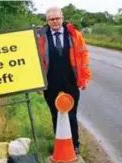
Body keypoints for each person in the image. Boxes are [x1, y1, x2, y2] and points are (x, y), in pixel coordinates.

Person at [37, 7, 91, 154]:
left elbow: (83, 56)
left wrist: (84, 78)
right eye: (51, 19)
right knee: (56, 114)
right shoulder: (40, 37)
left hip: (70, 81)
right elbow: (35, 60)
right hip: (51, 82)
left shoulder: (74, 35)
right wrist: (37, 82)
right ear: (47, 21)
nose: (55, 22)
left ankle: (75, 145)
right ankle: (60, 145)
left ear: (62, 18)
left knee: (72, 114)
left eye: (57, 18)